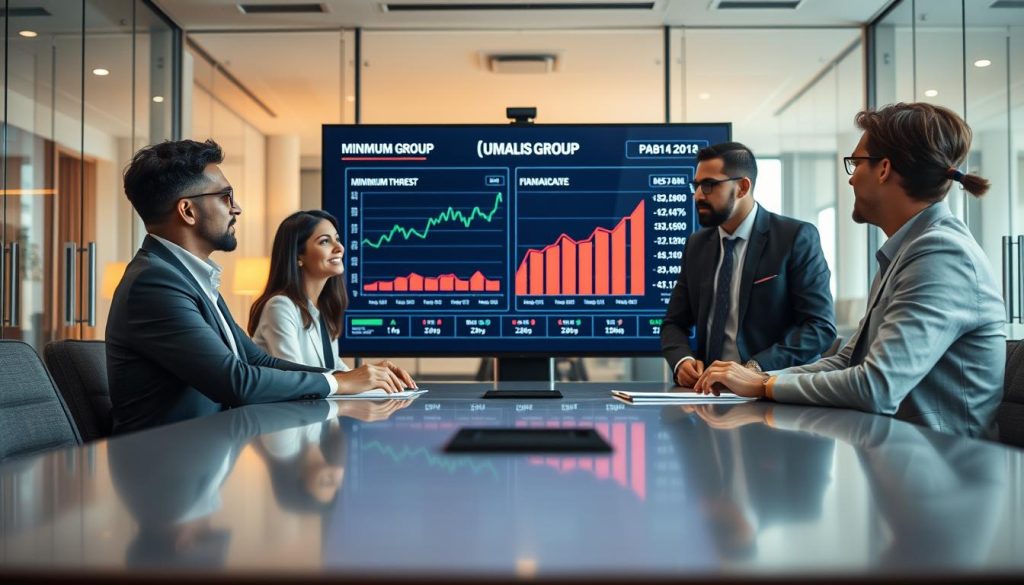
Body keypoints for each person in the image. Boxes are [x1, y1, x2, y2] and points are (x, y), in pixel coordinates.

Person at [693, 103, 1005, 439]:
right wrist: (756, 381)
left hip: (947, 475)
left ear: (884, 169)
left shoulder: (941, 254)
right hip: (905, 459)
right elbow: (847, 362)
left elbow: (876, 387)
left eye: (856, 163)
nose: (852, 178)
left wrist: (764, 383)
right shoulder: (906, 251)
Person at [107, 139, 414, 434]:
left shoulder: (188, 276)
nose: (236, 208)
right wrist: (342, 383)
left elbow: (255, 359)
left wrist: (349, 376)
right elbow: (236, 381)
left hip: (205, 453)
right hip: (164, 469)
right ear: (188, 211)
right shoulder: (155, 283)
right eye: (226, 197)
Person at [660, 141, 836, 387]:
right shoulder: (697, 245)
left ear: (743, 187)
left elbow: (820, 328)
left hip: (774, 390)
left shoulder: (795, 237)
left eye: (709, 185)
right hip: (707, 393)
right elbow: (673, 323)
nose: (698, 195)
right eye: (696, 185)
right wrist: (682, 360)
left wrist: (754, 369)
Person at [248, 210, 413, 387]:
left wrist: (377, 374)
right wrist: (362, 376)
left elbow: (335, 371)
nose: (339, 248)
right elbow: (296, 379)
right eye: (325, 241)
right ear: (298, 256)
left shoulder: (322, 310)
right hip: (285, 413)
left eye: (337, 239)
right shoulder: (280, 307)